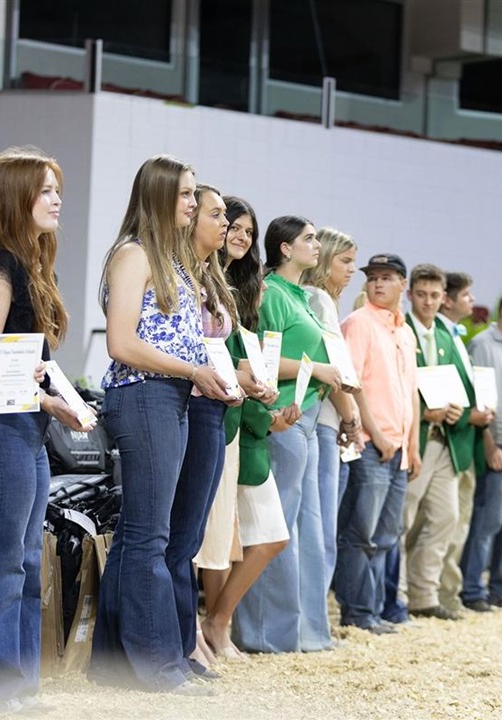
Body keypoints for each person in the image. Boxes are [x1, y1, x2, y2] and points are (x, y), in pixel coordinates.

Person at [88, 155, 230, 694]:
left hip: (169, 397)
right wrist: (194, 370)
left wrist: (216, 373)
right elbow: (122, 343)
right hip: (143, 395)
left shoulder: (171, 261)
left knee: (136, 537)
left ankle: (113, 662)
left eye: (196, 195)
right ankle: (157, 666)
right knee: (149, 536)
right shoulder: (133, 255)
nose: (193, 205)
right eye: (187, 195)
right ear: (159, 196)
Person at [0, 146, 85, 712]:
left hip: (25, 428)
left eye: (58, 189)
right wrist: (45, 399)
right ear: (17, 196)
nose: (57, 199)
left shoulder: (30, 264)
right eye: (46, 190)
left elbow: (21, 362)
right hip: (0, 428)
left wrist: (54, 401)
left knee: (28, 559)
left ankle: (19, 685)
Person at [232, 215, 343, 654]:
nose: (317, 246)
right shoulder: (273, 293)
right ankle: (264, 632)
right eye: (309, 239)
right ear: (284, 248)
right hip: (285, 413)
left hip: (311, 412)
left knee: (308, 528)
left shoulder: (301, 296)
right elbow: (261, 357)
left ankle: (306, 632)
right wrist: (318, 369)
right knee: (278, 526)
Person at [198, 197, 294, 660]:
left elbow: (253, 363)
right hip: (219, 415)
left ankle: (218, 621)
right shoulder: (205, 282)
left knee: (255, 535)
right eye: (231, 225)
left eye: (246, 230)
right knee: (219, 535)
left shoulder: (246, 289)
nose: (239, 235)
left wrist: (266, 407)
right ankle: (212, 628)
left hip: (246, 419)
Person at [166, 183, 243, 678]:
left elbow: (219, 351)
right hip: (186, 405)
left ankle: (186, 630)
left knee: (192, 532)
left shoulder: (210, 277)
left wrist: (245, 378)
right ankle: (183, 636)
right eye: (216, 214)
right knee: (181, 533)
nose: (224, 224)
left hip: (215, 406)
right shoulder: (174, 275)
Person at [335, 253, 420, 634]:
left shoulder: (404, 331)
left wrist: (412, 445)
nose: (377, 284)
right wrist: (377, 433)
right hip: (370, 444)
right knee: (360, 533)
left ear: (403, 284)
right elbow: (351, 384)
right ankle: (358, 612)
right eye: (372, 278)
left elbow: (411, 393)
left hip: (399, 448)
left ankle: (376, 608)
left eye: (387, 278)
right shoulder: (358, 323)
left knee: (386, 536)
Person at [400, 264, 474, 621]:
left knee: (447, 516)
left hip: (446, 440)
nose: (428, 302)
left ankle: (424, 594)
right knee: (404, 518)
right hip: (417, 437)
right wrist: (422, 411)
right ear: (410, 294)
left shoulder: (446, 335)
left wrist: (458, 408)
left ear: (442, 297)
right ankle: (396, 595)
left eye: (434, 295)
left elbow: (460, 382)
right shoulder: (401, 328)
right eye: (421, 294)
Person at [300, 227, 362, 592]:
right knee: (321, 523)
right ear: (325, 261)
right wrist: (352, 418)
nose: (351, 269)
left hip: (321, 419)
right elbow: (335, 370)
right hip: (323, 420)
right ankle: (314, 614)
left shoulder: (321, 299)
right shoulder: (319, 298)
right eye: (346, 261)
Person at [436, 272, 492, 615]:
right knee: (442, 523)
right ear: (449, 298)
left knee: (460, 523)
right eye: (466, 295)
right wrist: (470, 414)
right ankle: (438, 595)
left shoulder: (457, 335)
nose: (471, 301)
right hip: (449, 437)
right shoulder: (441, 334)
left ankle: (449, 594)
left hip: (466, 440)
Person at [460, 283, 502, 611]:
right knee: (488, 520)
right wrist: (490, 445)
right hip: (498, 445)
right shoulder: (483, 344)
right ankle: (472, 589)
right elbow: (477, 400)